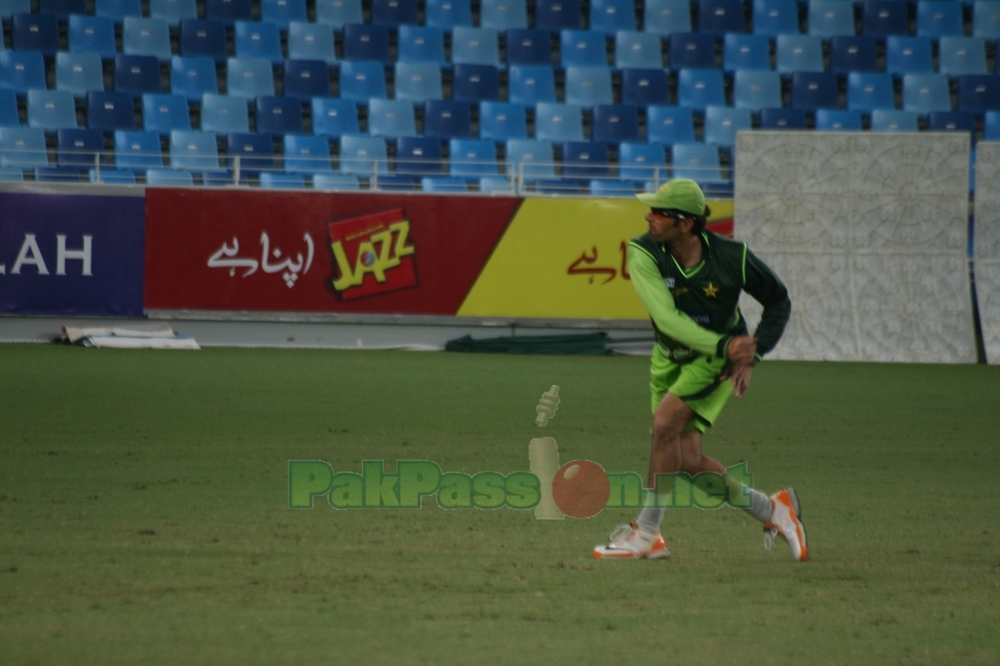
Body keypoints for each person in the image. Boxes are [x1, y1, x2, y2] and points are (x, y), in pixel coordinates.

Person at [592, 179, 808, 562]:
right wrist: (729, 347)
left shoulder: (733, 256)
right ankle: (773, 510)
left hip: (713, 362)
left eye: (658, 212)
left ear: (686, 224)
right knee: (687, 461)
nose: (648, 217)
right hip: (669, 357)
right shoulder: (642, 251)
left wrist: (750, 354)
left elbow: (778, 299)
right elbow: (666, 318)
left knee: (663, 427)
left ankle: (647, 534)